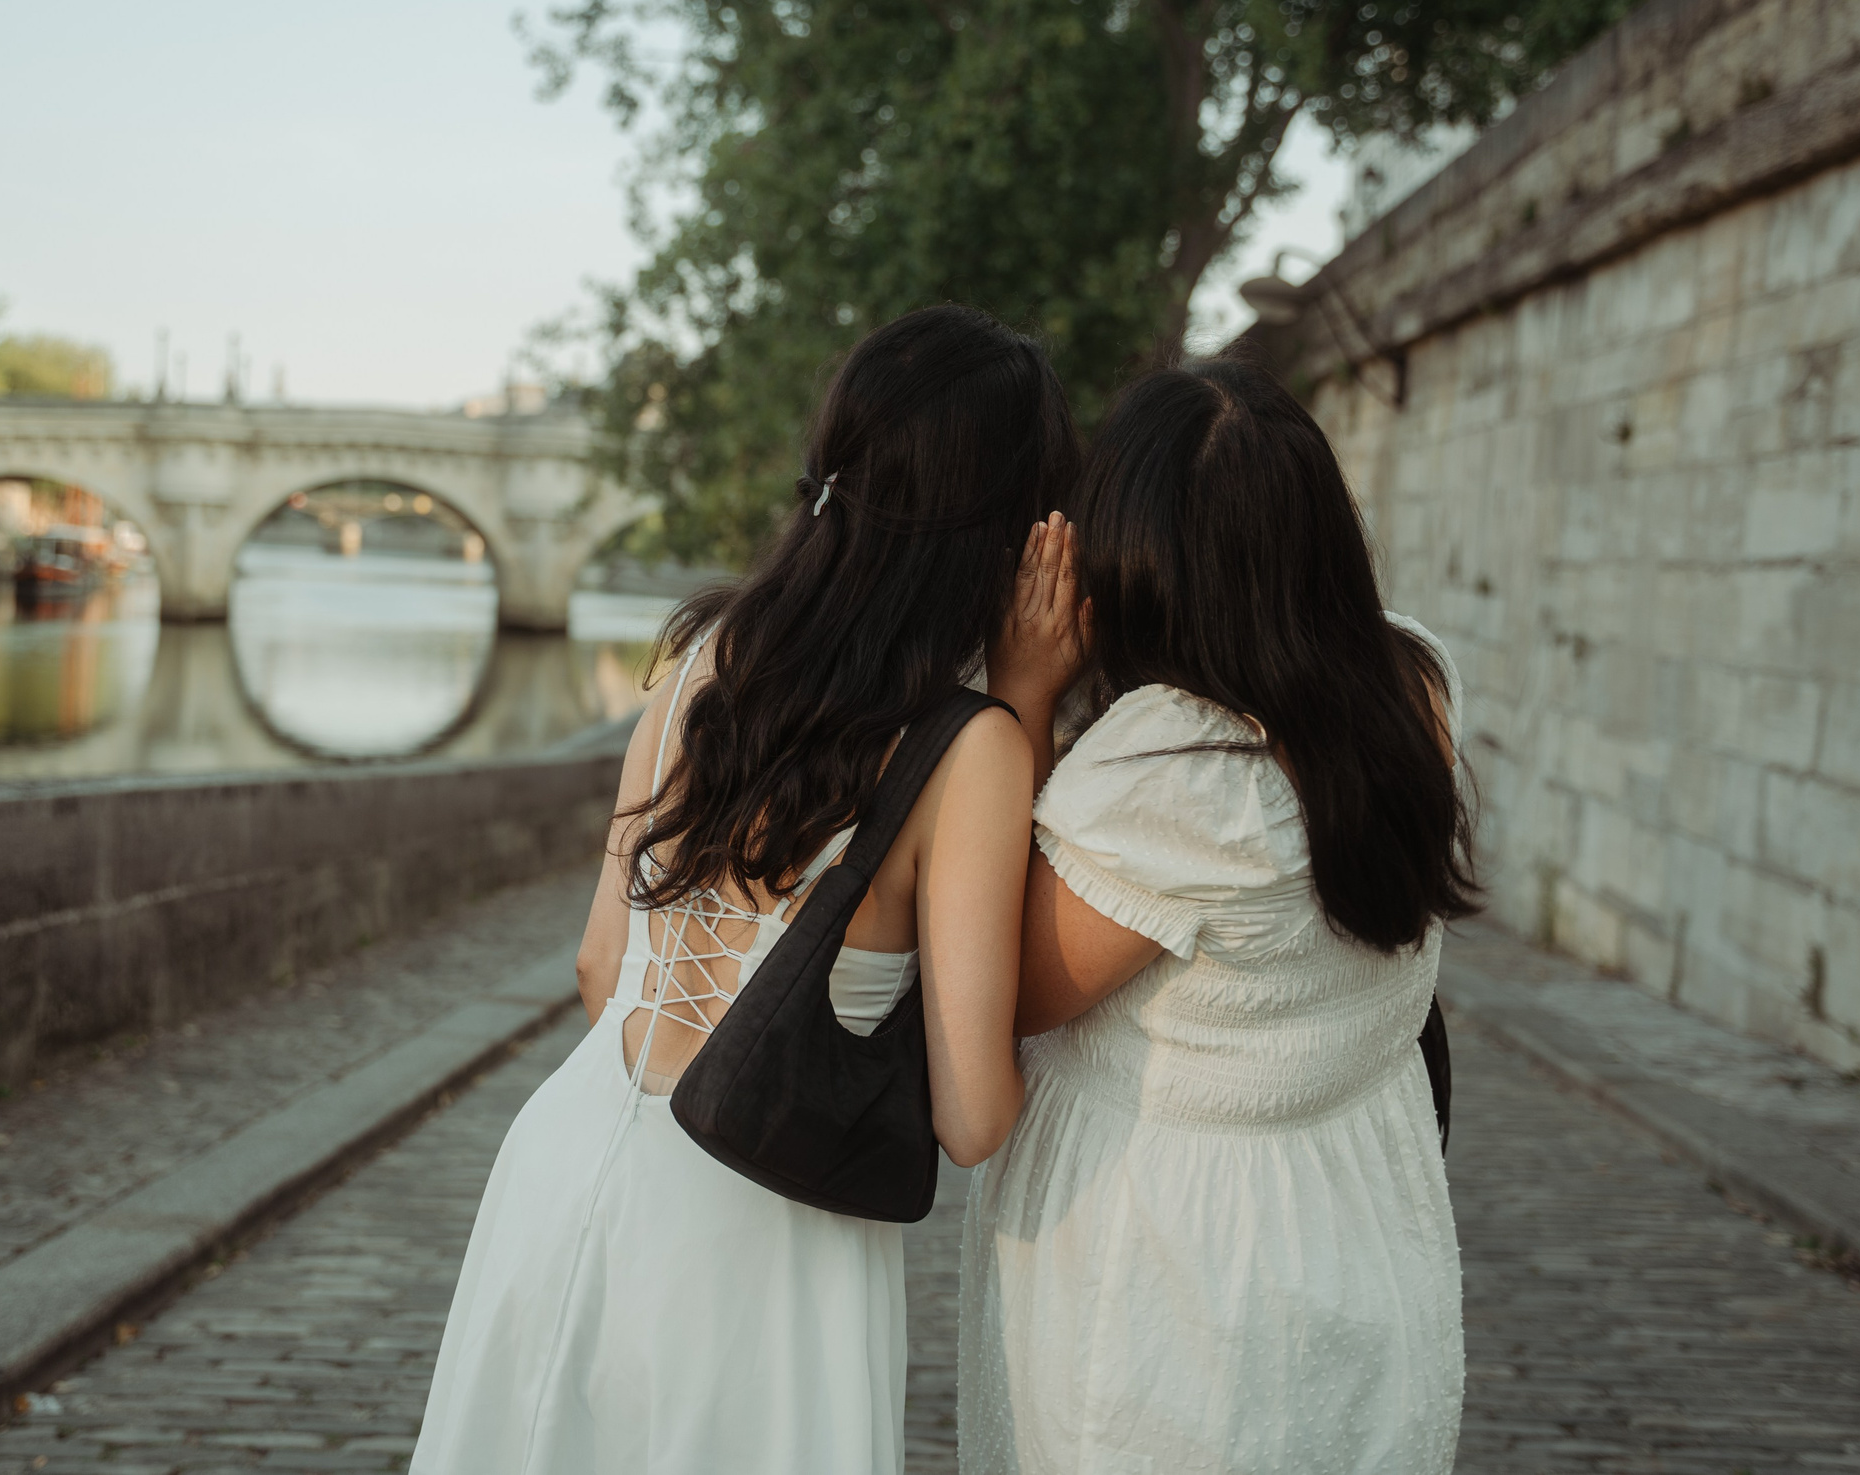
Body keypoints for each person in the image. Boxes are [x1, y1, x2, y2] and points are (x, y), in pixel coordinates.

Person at [411, 305, 1081, 1475]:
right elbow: (975, 1119)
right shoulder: (970, 749)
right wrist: (1027, 703)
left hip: (566, 1165)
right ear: (1010, 528)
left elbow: (599, 966)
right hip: (766, 1234)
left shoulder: (700, 653)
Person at [963, 358, 1477, 1475]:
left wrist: (1023, 698)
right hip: (1359, 1205)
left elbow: (992, 989)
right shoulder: (1411, 680)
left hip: (1178, 1267)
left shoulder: (1175, 772)